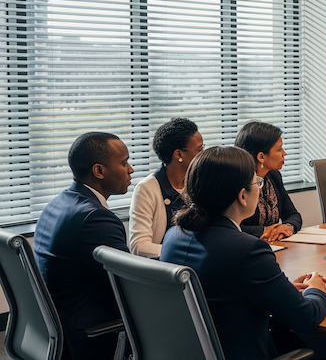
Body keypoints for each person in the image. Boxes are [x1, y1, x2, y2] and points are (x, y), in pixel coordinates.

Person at [160, 146, 326, 359]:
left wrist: (281, 288)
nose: (259, 188)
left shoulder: (173, 236)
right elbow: (305, 318)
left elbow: (221, 291)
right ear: (243, 196)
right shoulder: (248, 249)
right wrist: (317, 290)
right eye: (257, 183)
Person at [33, 132, 134, 360]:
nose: (131, 170)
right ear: (99, 171)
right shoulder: (95, 219)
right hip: (90, 336)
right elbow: (133, 286)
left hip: (57, 329)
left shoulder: (57, 204)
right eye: (124, 163)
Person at [129, 117, 203, 257]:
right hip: (164, 265)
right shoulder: (146, 188)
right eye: (199, 149)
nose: (203, 155)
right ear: (179, 154)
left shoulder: (200, 182)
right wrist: (185, 253)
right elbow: (138, 246)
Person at [234, 121, 303, 242]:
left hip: (274, 244)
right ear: (261, 157)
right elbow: (230, 226)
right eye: (279, 149)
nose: (284, 153)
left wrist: (287, 228)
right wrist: (265, 231)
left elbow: (293, 215)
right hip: (245, 246)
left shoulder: (273, 176)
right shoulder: (236, 182)